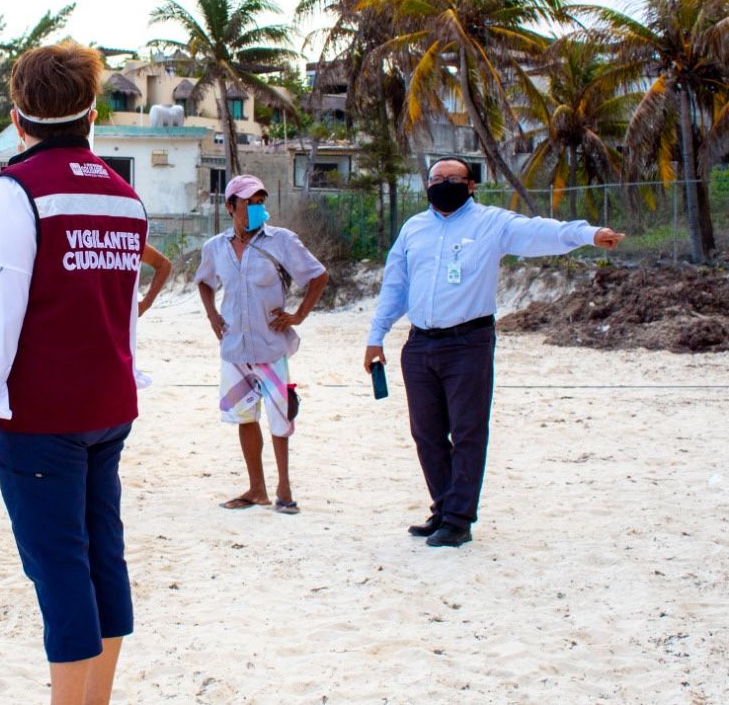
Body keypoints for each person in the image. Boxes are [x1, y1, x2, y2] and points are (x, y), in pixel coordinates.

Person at [0, 42, 147, 705]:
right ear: (92, 114)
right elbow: (123, 311)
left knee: (60, 567)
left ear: (18, 117)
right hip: (108, 404)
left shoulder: (15, 192)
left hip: (42, 414)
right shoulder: (123, 195)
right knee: (102, 557)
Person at [364, 157, 625, 547]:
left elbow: (541, 232)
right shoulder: (413, 228)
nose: (442, 183)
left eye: (452, 178)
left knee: (468, 431)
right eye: (436, 178)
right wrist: (376, 336)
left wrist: (589, 234)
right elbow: (395, 286)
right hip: (419, 345)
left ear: (471, 185)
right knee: (426, 434)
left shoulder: (491, 223)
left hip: (468, 343)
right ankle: (443, 509)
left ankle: (458, 520)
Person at [196, 175, 329, 515]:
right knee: (244, 416)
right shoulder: (215, 247)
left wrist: (298, 315)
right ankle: (257, 489)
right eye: (248, 202)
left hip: (271, 347)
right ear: (230, 207)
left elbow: (318, 275)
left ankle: (284, 489)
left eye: (260, 201)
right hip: (234, 348)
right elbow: (204, 282)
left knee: (281, 417)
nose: (256, 208)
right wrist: (212, 315)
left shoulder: (281, 241)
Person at [137, 244, 171, 316]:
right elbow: (164, 265)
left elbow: (164, 265)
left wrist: (146, 303)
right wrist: (146, 304)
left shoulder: (132, 242)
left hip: (126, 317)